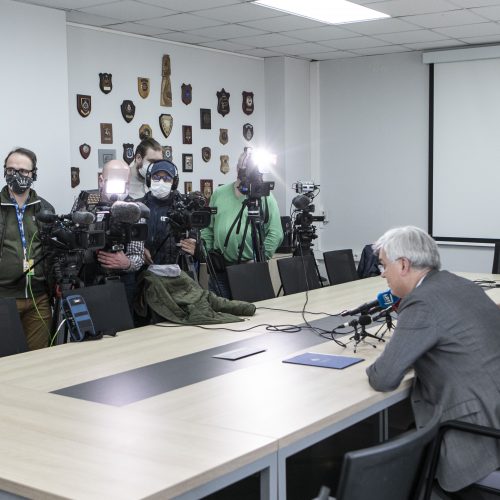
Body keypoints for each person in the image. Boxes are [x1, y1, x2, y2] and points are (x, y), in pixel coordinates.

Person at [366, 226, 500, 498]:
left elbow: (384, 377)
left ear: (403, 265)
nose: (382, 274)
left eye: (383, 265)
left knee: (398, 473)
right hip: (493, 410)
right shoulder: (460, 284)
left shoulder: (421, 302)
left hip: (475, 436)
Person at [201, 151, 283, 298]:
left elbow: (276, 232)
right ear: (238, 168)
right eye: (244, 167)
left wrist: (260, 259)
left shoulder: (265, 197)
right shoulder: (219, 193)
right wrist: (208, 254)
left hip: (249, 270)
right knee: (220, 313)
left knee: (251, 314)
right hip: (219, 269)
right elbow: (207, 228)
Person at [0, 147, 55, 350]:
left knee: (38, 360)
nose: (17, 175)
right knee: (6, 360)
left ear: (34, 174)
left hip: (38, 298)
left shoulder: (45, 208)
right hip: (4, 298)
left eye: (23, 171)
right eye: (11, 170)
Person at [76, 160, 145, 309]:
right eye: (115, 182)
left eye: (126, 184)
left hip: (123, 280)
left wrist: (127, 263)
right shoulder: (86, 203)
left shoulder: (133, 209)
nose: (122, 189)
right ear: (101, 180)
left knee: (125, 330)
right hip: (89, 278)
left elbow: (138, 254)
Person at [136, 159, 197, 267]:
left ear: (174, 182)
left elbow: (196, 239)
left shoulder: (184, 208)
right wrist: (138, 249)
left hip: (176, 271)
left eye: (167, 178)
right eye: (156, 177)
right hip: (143, 272)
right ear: (149, 179)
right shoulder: (138, 207)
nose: (161, 182)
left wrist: (195, 248)